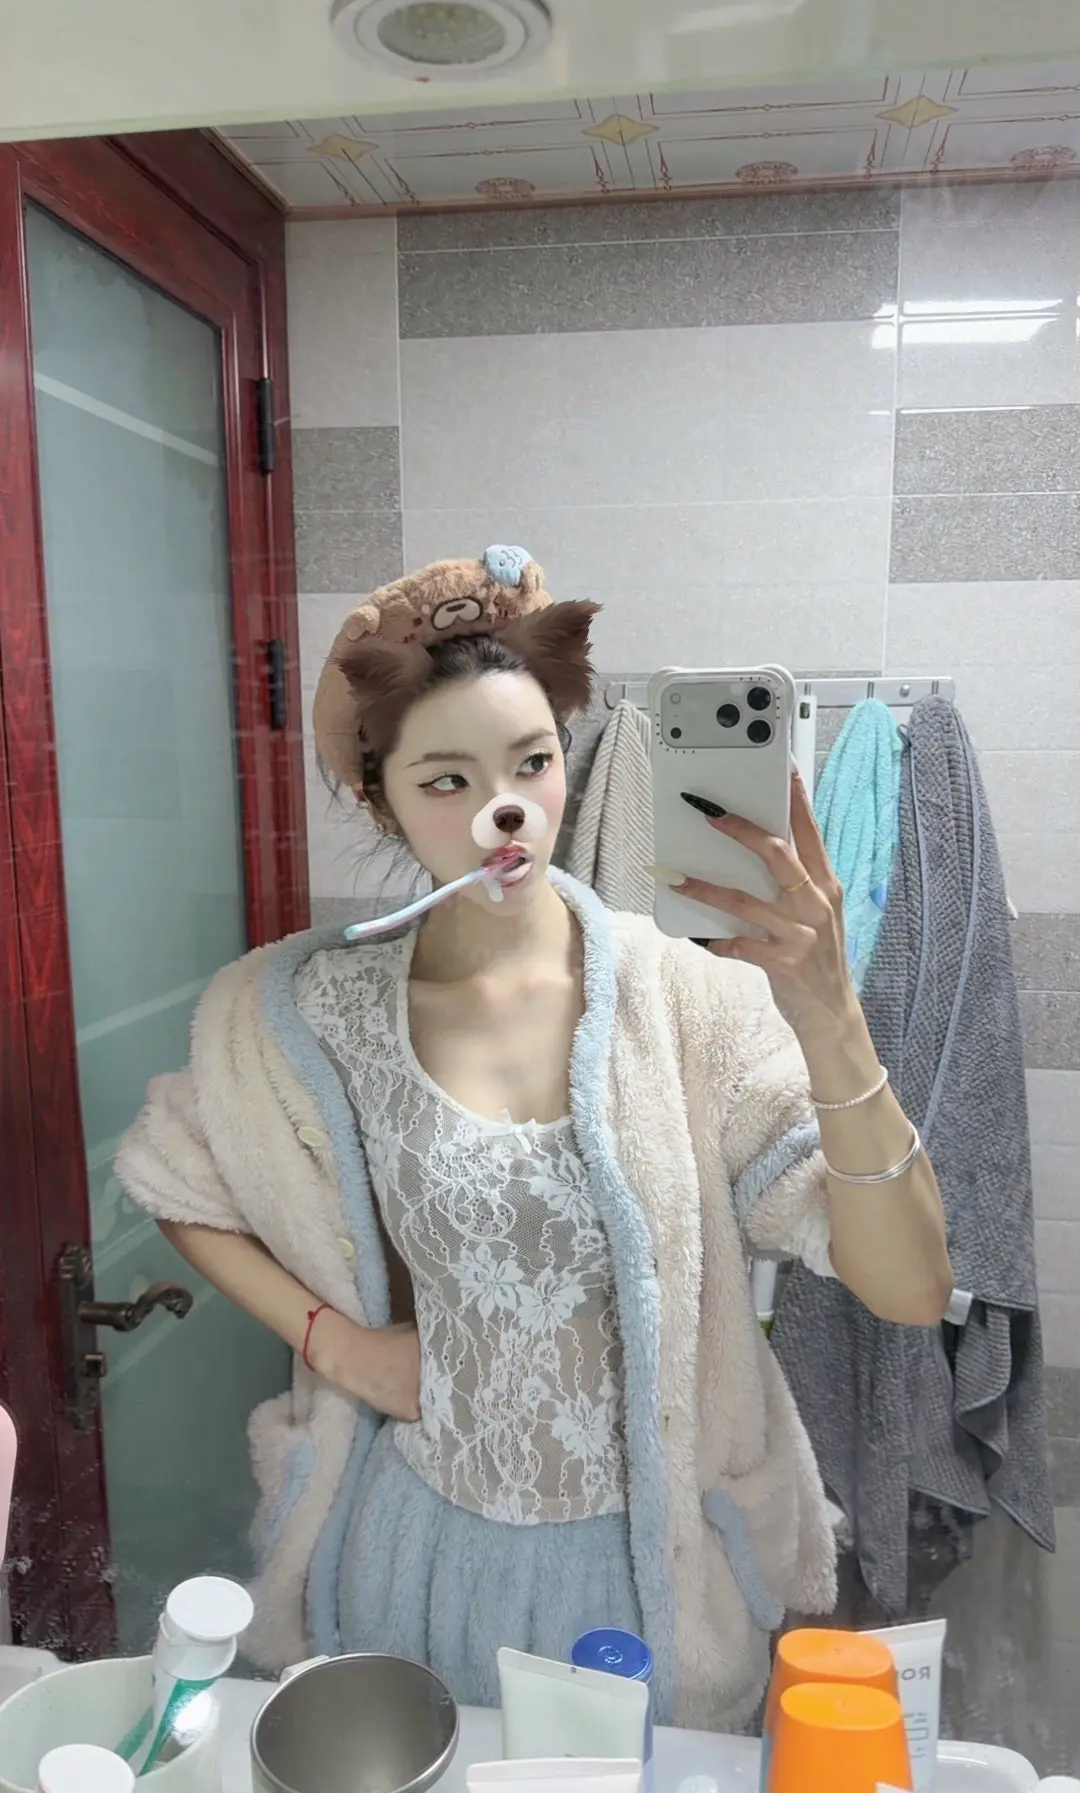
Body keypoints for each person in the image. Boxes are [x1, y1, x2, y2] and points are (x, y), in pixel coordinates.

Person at [117, 545, 953, 1730]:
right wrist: (337, 1347)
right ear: (382, 800)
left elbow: (911, 1288)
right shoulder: (314, 1016)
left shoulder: (687, 1000)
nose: (503, 808)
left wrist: (831, 1019)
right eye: (445, 779)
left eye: (531, 762)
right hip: (408, 1554)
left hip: (647, 1585)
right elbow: (173, 1176)